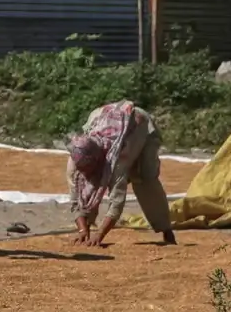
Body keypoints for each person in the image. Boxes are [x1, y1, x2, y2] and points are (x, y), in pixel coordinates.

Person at [67, 101, 176, 247]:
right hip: (102, 117)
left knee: (145, 178)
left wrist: (99, 235)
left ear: (98, 161)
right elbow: (75, 199)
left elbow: (117, 203)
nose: (86, 173)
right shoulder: (75, 162)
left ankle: (166, 230)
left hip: (139, 126)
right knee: (87, 185)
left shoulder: (116, 161)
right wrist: (82, 229)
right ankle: (86, 224)